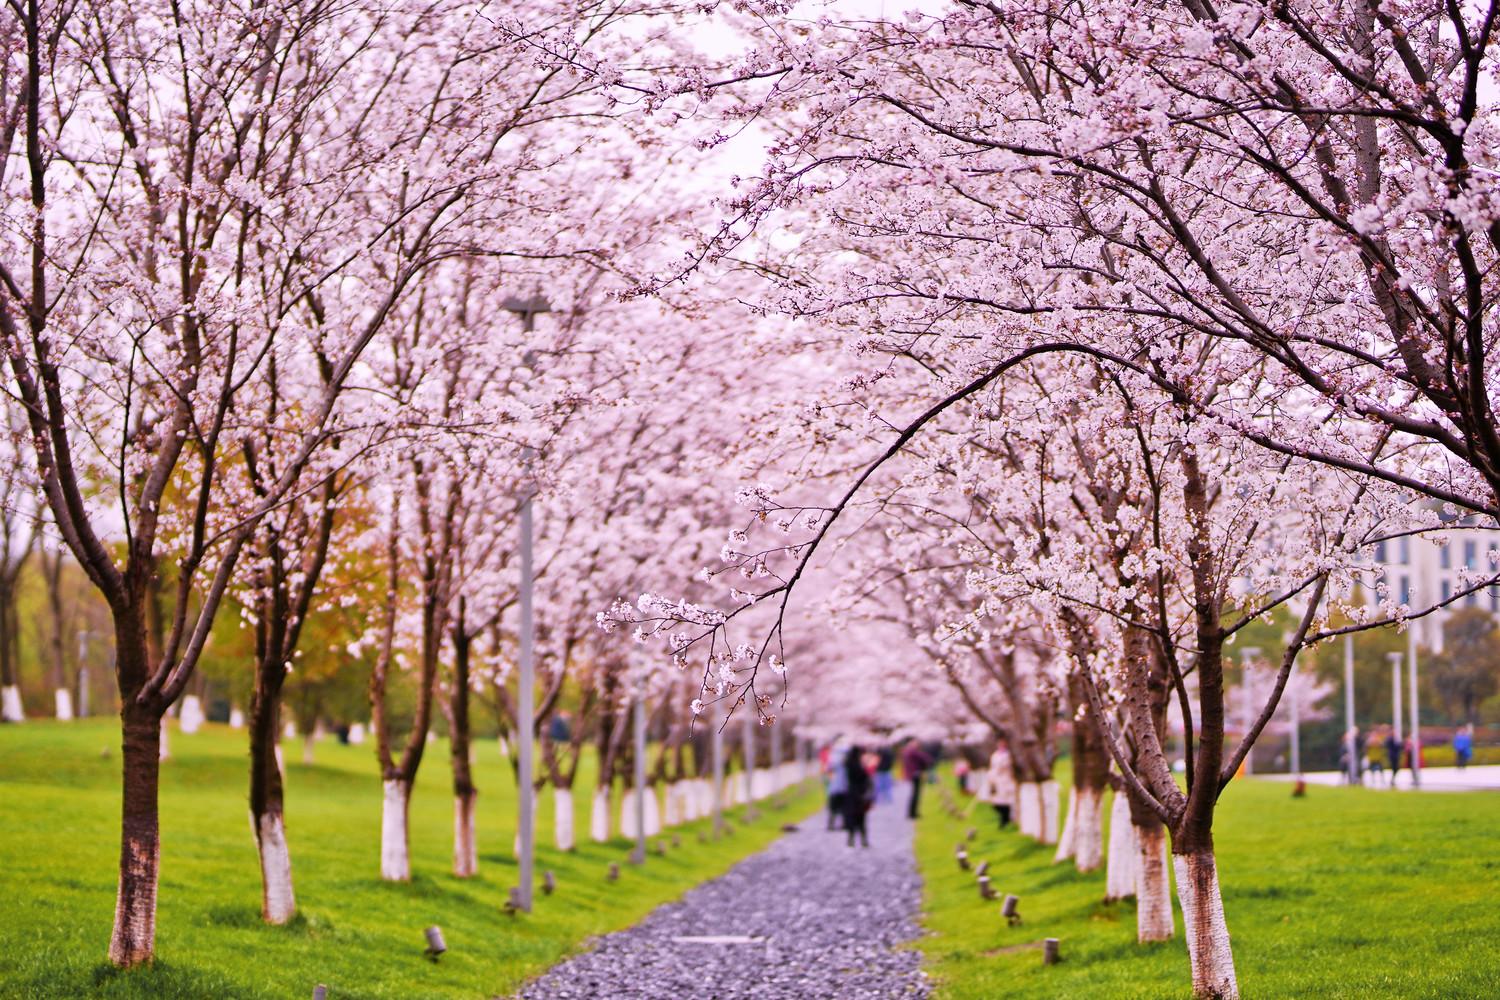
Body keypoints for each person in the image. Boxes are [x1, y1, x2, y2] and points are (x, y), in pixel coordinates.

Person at [842, 743, 874, 847]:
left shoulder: (847, 764)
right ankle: (864, 840)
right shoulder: (858, 766)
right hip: (860, 794)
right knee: (861, 818)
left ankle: (850, 840)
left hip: (850, 793)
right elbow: (865, 777)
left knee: (852, 817)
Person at [978, 742, 1016, 828]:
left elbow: (1007, 766)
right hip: (997, 781)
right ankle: (1004, 819)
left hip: (1007, 780)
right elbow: (993, 767)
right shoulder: (994, 755)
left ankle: (1005, 820)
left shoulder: (1009, 755)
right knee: (996, 803)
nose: (1001, 746)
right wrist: (991, 775)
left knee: (1007, 801)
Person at [901, 737, 934, 819]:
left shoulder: (907, 751)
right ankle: (913, 813)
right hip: (915, 774)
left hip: (912, 774)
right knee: (916, 794)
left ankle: (912, 812)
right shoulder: (912, 751)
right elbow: (925, 758)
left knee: (915, 794)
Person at [825, 743, 849, 830]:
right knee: (843, 807)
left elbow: (828, 770)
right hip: (843, 787)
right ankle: (843, 824)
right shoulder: (847, 757)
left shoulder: (833, 758)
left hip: (835, 787)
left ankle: (831, 824)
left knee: (834, 808)